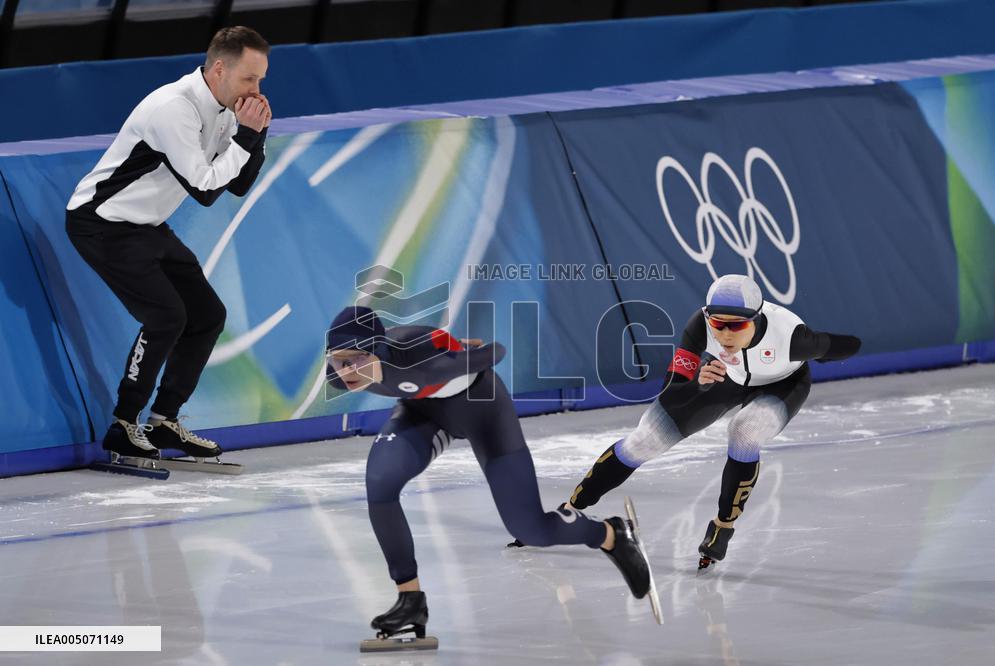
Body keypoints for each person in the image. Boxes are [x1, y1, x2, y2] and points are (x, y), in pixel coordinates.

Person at [325, 306, 654, 643]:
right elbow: (367, 366)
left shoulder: (418, 364)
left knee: (530, 529)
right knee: (380, 482)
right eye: (339, 360)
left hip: (483, 409)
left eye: (357, 360)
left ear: (378, 350)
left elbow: (496, 352)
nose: (347, 371)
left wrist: (465, 355)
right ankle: (410, 600)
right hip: (422, 410)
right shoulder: (338, 373)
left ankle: (611, 533)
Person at [65, 27, 272, 461]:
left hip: (147, 224)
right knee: (166, 317)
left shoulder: (226, 107)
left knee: (207, 316)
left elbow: (238, 185)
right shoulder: (173, 108)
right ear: (219, 68)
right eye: (249, 80)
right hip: (101, 222)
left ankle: (164, 423)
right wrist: (246, 138)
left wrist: (258, 134)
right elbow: (205, 189)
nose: (256, 90)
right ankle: (124, 424)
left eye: (261, 80)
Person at [563, 274, 861, 569]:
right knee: (644, 441)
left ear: (756, 319)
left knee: (745, 431)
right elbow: (672, 386)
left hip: (782, 385)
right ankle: (571, 509)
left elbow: (847, 345)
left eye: (737, 325)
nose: (726, 335)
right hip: (723, 376)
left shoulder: (792, 338)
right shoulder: (700, 325)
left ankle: (723, 525)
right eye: (719, 324)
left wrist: (825, 353)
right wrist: (695, 380)